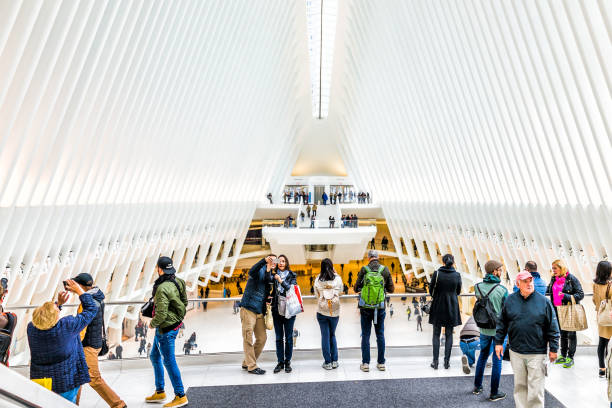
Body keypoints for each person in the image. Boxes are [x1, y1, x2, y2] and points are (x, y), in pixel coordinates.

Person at [495, 270, 559, 408]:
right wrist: (499, 342)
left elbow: (553, 327)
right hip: (516, 352)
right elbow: (502, 322)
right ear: (518, 284)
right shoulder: (510, 300)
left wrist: (554, 348)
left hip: (537, 353)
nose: (529, 283)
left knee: (536, 390)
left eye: (530, 280)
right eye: (525, 281)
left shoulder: (543, 302)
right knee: (520, 387)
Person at [28, 280, 99, 403]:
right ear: (56, 317)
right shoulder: (67, 326)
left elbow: (48, 322)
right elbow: (91, 309)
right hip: (65, 382)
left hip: (42, 382)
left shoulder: (32, 329)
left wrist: (58, 304)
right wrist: (79, 290)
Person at [69, 273, 127, 408]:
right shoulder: (98, 296)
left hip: (88, 345)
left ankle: (119, 405)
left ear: (82, 286)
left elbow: (82, 328)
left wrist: (73, 344)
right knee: (77, 377)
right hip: (95, 341)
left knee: (94, 379)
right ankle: (72, 404)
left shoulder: (86, 302)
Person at [145, 256, 189, 407]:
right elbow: (185, 302)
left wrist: (152, 324)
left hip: (166, 329)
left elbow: (161, 314)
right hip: (173, 325)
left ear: (160, 269)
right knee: (154, 356)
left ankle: (180, 395)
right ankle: (160, 391)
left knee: (169, 361)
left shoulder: (162, 288)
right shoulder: (179, 281)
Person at [472, 260, 508, 401]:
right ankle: (494, 393)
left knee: (482, 356)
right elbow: (506, 311)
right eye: (500, 270)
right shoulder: (502, 290)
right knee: (497, 360)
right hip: (498, 331)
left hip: (484, 328)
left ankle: (477, 387)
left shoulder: (477, 287)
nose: (501, 272)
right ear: (494, 271)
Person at [354, 250, 394, 372]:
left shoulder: (364, 269)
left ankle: (365, 364)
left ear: (368, 258)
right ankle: (381, 363)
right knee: (380, 335)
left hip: (365, 308)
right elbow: (391, 289)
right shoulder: (385, 270)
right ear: (378, 257)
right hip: (380, 308)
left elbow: (356, 288)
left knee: (365, 335)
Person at [545, 259, 584, 369]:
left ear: (561, 268)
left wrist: (565, 296)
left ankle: (570, 357)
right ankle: (563, 355)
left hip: (569, 309)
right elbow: (549, 290)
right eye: (552, 268)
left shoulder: (571, 279)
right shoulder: (553, 279)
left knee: (571, 334)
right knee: (562, 334)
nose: (553, 270)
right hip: (557, 310)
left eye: (555, 268)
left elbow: (580, 294)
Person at [240, 256, 275, 375]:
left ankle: (247, 362)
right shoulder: (259, 271)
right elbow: (251, 271)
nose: (272, 262)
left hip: (260, 310)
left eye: (274, 261)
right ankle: (252, 365)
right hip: (249, 307)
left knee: (262, 338)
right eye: (271, 259)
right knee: (248, 337)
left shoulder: (270, 276)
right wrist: (264, 262)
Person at [429, 254, 462, 370]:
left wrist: (438, 296)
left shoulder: (437, 274)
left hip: (438, 305)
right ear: (453, 262)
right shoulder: (457, 275)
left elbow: (431, 290)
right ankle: (447, 362)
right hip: (451, 306)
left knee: (436, 334)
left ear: (443, 262)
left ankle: (435, 362)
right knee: (449, 334)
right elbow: (458, 291)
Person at [314, 258, 344, 369]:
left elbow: (317, 295)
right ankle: (335, 360)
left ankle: (327, 362)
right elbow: (341, 290)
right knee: (332, 335)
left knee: (325, 336)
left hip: (322, 311)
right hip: (334, 312)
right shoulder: (338, 278)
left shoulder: (318, 279)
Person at [271, 255, 298, 374]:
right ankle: (280, 362)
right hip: (276, 310)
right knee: (278, 338)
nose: (281, 263)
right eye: (279, 261)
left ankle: (287, 361)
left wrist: (280, 280)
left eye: (283, 261)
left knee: (288, 338)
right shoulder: (272, 275)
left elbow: (290, 289)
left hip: (289, 310)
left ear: (287, 263)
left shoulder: (292, 275)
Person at [593, 261, 612, 377]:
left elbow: (595, 301)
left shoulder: (595, 285)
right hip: (611, 315)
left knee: (602, 343)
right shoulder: (610, 284)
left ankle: (602, 368)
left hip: (602, 316)